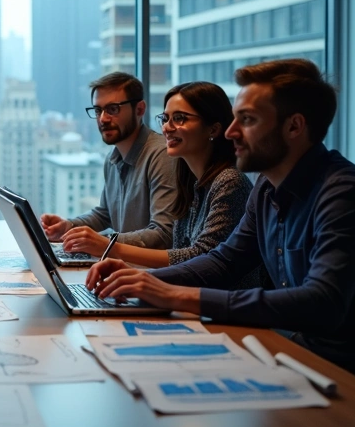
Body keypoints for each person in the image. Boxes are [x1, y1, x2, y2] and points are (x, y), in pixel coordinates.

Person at [86, 59, 355, 367]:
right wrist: (148, 281)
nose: (230, 132)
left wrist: (176, 295)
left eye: (248, 120)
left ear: (294, 126)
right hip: (311, 353)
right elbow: (225, 261)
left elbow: (322, 304)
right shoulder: (267, 189)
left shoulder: (343, 193)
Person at [61, 81, 259, 287]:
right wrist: (129, 272)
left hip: (221, 308)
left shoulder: (229, 182)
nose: (167, 127)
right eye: (165, 119)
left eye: (179, 118)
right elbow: (181, 250)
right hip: (192, 297)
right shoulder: (190, 181)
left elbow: (202, 257)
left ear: (214, 128)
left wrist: (111, 247)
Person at [40, 72, 176, 249]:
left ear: (140, 109)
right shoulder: (113, 158)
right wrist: (68, 226)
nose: (103, 118)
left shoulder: (161, 155)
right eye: (98, 110)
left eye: (113, 109)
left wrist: (105, 243)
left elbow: (163, 233)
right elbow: (105, 214)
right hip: (122, 266)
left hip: (149, 272)